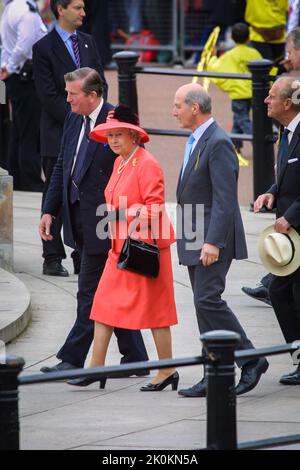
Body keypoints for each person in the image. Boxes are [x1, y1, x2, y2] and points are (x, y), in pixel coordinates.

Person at [39, 68, 149, 374]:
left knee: (88, 291)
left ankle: (72, 359)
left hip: (107, 222)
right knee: (108, 290)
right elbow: (63, 165)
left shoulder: (117, 121)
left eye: (73, 94)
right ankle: (136, 358)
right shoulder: (75, 118)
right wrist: (49, 210)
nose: (68, 99)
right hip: (78, 220)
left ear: (93, 96)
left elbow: (137, 167)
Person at [68, 105, 178, 391]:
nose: (113, 140)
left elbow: (155, 209)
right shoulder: (121, 162)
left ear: (133, 135)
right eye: (111, 135)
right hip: (120, 248)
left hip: (145, 250)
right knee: (102, 305)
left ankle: (167, 370)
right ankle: (96, 367)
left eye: (119, 135)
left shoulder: (147, 163)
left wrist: (121, 214)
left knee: (157, 313)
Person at [173, 83, 268, 397]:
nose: (174, 112)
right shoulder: (197, 139)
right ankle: (214, 373)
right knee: (203, 306)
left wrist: (213, 241)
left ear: (194, 108)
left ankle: (251, 359)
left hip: (211, 238)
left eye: (178, 106)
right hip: (193, 234)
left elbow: (226, 199)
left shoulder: (218, 142)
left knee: (207, 300)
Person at [33, 0, 108, 277]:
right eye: (77, 7)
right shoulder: (43, 47)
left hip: (91, 129)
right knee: (56, 190)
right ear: (60, 9)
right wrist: (76, 117)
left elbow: (101, 83)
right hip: (58, 131)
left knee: (85, 190)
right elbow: (48, 94)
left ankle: (82, 252)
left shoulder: (88, 42)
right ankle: (51, 255)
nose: (84, 13)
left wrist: (95, 114)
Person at [254, 76, 300, 385]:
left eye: (271, 97)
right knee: (280, 290)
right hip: (290, 231)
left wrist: (293, 215)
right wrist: (272, 191)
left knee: (290, 292)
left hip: (296, 226)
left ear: (287, 103)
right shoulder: (286, 131)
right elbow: (288, 175)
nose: (266, 101)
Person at [0, 0, 47, 191]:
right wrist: (10, 67)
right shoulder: (25, 9)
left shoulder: (11, 7)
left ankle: (18, 176)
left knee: (19, 130)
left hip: (18, 77)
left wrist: (7, 67)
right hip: (25, 77)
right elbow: (25, 44)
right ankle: (30, 180)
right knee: (29, 131)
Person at [207, 22, 262, 165]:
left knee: (242, 119)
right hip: (253, 92)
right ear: (249, 37)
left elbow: (216, 68)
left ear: (232, 37)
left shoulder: (230, 55)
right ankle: (235, 146)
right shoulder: (254, 53)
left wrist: (212, 57)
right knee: (238, 120)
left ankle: (257, 141)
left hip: (238, 94)